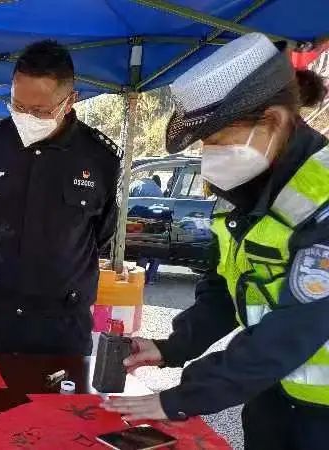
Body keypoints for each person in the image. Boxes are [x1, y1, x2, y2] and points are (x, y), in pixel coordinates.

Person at [102, 33, 329, 450]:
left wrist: (182, 398)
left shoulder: (323, 194)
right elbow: (225, 285)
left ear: (275, 122)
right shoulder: (245, 188)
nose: (211, 157)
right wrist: (172, 347)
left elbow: (298, 327)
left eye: (219, 141)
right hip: (271, 396)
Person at [0, 40, 122, 355]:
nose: (27, 117)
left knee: (61, 404)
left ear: (70, 100)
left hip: (62, 324)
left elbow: (101, 233)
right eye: (18, 106)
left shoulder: (99, 158)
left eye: (40, 110)